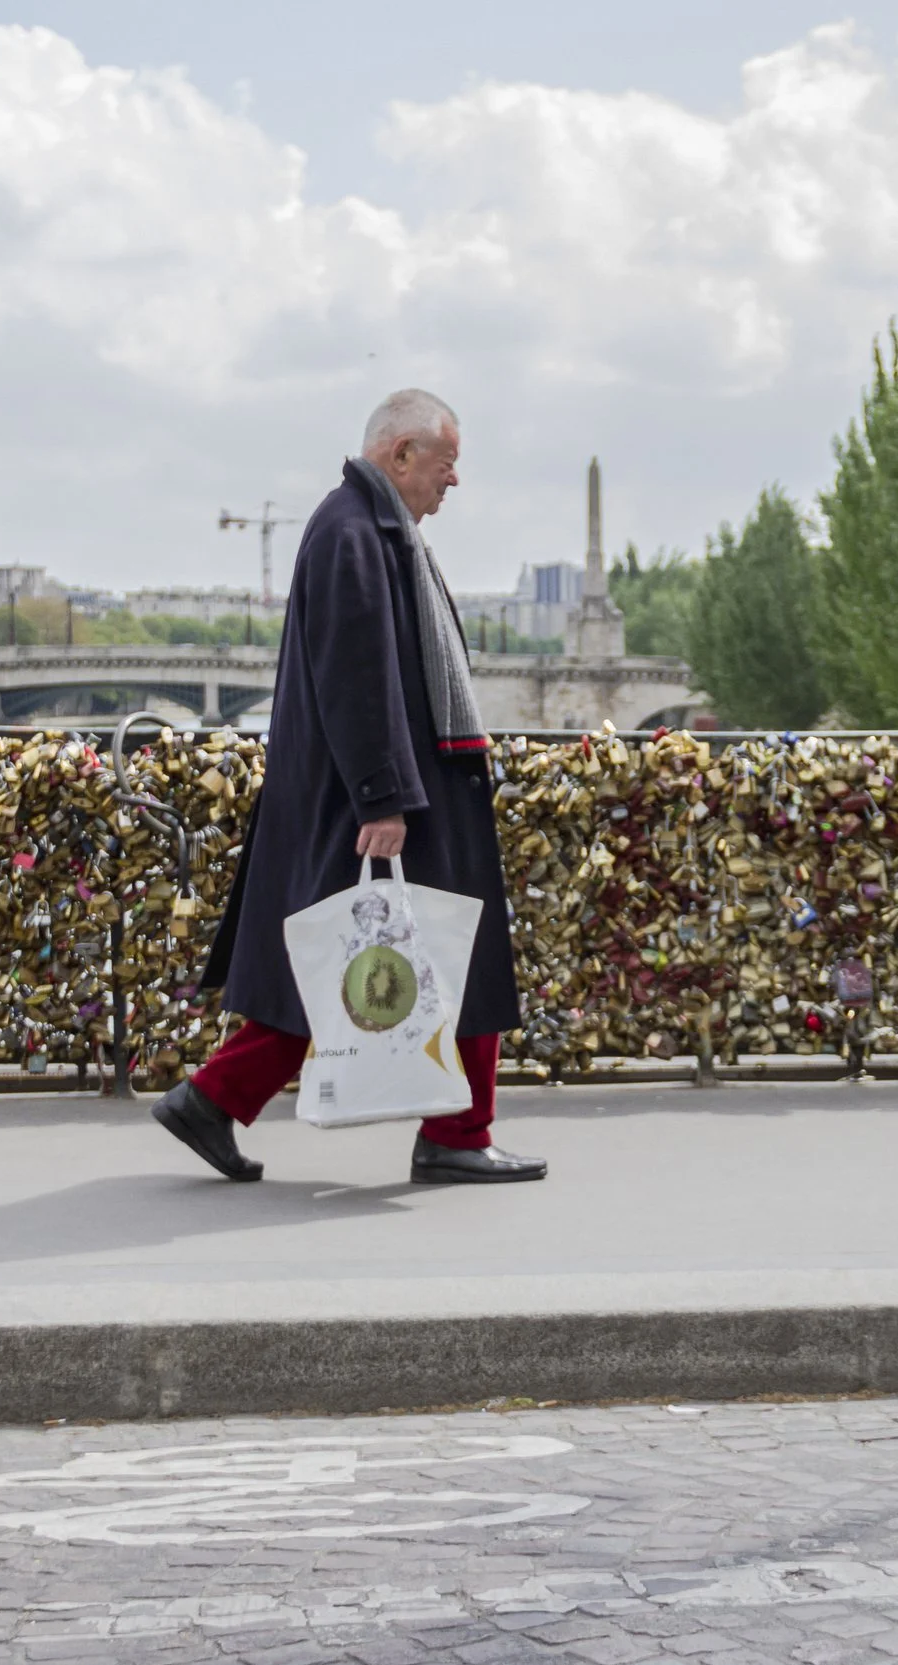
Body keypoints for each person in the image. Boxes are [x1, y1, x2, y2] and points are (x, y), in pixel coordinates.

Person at [150, 389, 542, 1186]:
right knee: (442, 952)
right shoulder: (354, 534)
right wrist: (382, 798)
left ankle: (213, 1099)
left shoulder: (358, 527)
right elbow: (357, 678)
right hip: (391, 798)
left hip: (379, 793)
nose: (452, 482)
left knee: (346, 959)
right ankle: (458, 1134)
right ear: (401, 455)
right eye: (445, 464)